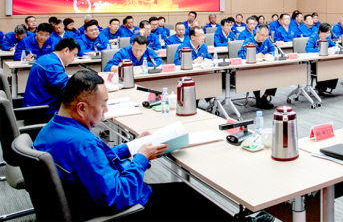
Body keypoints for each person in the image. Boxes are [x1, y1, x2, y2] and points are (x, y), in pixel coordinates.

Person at [33, 71, 232, 222]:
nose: (106, 110)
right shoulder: (82, 144)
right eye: (103, 104)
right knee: (192, 198)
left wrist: (132, 147)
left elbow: (96, 159)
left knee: (181, 191)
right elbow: (118, 196)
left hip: (83, 202)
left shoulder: (52, 129)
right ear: (81, 108)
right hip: (114, 211)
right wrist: (141, 159)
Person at [23, 37, 81, 116]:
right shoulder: (53, 64)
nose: (73, 59)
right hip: (42, 112)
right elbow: (67, 90)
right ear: (66, 50)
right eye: (74, 55)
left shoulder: (46, 58)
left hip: (36, 105)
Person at [238, 24, 276, 109]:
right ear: (257, 33)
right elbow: (241, 54)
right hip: (252, 69)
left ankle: (264, 97)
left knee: (276, 74)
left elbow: (274, 50)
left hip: (265, 67)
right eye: (262, 35)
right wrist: (254, 56)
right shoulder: (248, 41)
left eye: (266, 35)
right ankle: (258, 99)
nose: (264, 37)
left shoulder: (267, 41)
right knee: (255, 76)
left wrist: (269, 54)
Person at [306, 23, 338, 95]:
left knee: (335, 66)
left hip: (325, 60)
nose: (327, 35)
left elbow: (333, 45)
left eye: (328, 33)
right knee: (323, 67)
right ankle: (321, 87)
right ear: (320, 31)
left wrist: (332, 48)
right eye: (325, 33)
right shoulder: (313, 38)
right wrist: (321, 50)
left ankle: (326, 86)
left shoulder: (327, 38)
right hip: (314, 62)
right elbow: (308, 49)